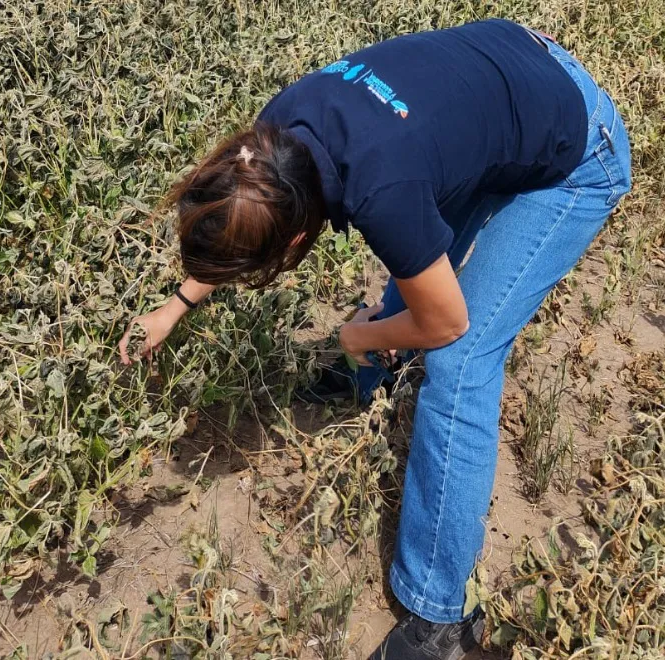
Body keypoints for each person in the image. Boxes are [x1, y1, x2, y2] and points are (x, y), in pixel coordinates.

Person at [119, 18, 631, 660]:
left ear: (299, 239)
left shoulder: (382, 187)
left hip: (582, 149)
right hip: (509, 76)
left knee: (459, 357)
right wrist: (176, 305)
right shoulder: (275, 137)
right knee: (415, 258)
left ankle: (441, 618)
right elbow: (240, 218)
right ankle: (374, 371)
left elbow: (448, 321)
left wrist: (357, 331)